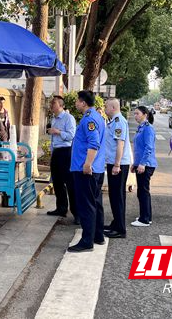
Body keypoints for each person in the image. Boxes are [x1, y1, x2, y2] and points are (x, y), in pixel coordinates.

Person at [67, 90, 106, 253]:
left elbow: (93, 143)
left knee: (86, 205)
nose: (76, 103)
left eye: (77, 100)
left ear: (83, 103)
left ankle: (86, 241)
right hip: (95, 168)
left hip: (86, 169)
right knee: (95, 202)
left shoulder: (89, 119)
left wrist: (87, 164)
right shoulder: (96, 116)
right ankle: (97, 235)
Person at [104, 98, 132, 238]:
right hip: (114, 162)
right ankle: (116, 223)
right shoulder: (113, 121)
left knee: (117, 196)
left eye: (106, 106)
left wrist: (116, 164)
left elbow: (120, 145)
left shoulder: (118, 121)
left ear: (113, 107)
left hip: (118, 164)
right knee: (114, 195)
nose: (104, 109)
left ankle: (120, 229)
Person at [45, 95, 77, 222]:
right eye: (51, 103)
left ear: (61, 105)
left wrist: (57, 132)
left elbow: (71, 135)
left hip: (66, 152)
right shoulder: (53, 118)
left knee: (70, 183)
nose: (51, 105)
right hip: (56, 152)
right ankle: (61, 208)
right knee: (57, 182)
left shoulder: (68, 118)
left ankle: (77, 213)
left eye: (54, 103)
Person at [131, 106, 157, 227]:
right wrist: (135, 164)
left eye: (137, 113)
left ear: (145, 114)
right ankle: (146, 216)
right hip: (140, 163)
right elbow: (138, 149)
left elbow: (148, 147)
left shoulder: (148, 128)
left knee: (143, 191)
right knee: (142, 191)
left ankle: (144, 219)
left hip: (146, 164)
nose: (135, 116)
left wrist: (142, 163)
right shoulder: (141, 128)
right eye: (134, 113)